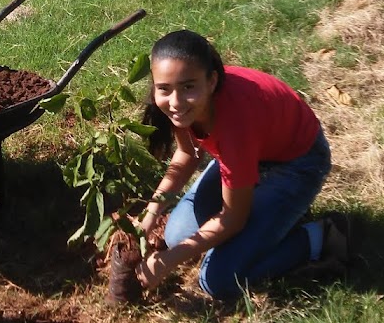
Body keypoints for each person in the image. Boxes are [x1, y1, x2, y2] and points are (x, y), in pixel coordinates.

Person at [134, 30, 348, 300]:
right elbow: (188, 154)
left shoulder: (234, 125)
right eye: (164, 89)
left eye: (188, 86)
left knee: (218, 280)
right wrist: (150, 214)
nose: (175, 101)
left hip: (297, 163)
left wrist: (168, 260)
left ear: (212, 81)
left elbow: (233, 219)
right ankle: (273, 218)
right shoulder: (186, 106)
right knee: (177, 235)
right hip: (253, 154)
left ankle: (321, 235)